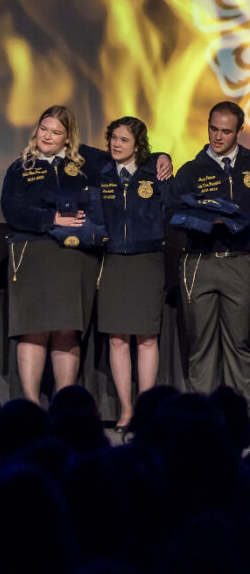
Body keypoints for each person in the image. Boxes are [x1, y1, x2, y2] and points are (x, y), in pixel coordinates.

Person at [0, 105, 105, 403]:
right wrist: (51, 220)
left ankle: (64, 403)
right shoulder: (21, 167)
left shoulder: (89, 163)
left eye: (57, 132)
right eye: (44, 129)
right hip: (32, 254)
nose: (48, 136)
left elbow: (125, 153)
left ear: (68, 137)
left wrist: (161, 158)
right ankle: (30, 405)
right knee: (32, 331)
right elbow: (12, 210)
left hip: (73, 259)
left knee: (66, 330)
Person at [168, 101, 250, 398]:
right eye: (213, 129)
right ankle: (199, 417)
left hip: (240, 262)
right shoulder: (191, 170)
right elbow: (171, 214)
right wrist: (205, 220)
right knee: (200, 345)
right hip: (200, 262)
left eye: (226, 131)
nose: (217, 137)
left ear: (239, 131)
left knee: (240, 343)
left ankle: (240, 416)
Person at [96, 116, 166, 430]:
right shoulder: (101, 174)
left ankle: (147, 409)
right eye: (113, 138)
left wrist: (164, 156)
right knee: (117, 339)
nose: (116, 144)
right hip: (112, 261)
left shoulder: (156, 173)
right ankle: (126, 410)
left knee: (147, 338)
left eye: (123, 139)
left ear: (138, 144)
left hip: (147, 260)